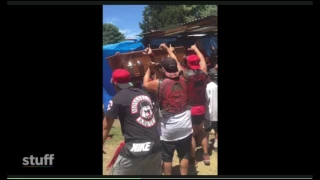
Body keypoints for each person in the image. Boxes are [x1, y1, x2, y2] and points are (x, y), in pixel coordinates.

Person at [143, 44, 192, 175]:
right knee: (184, 155)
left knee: (167, 156)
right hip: (186, 124)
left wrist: (149, 69)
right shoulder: (185, 77)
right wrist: (169, 51)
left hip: (168, 128)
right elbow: (176, 62)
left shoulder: (158, 84)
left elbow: (145, 83)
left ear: (163, 69)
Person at [103, 69, 162, 175]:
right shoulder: (144, 94)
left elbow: (106, 127)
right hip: (155, 146)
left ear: (114, 83)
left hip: (135, 150)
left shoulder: (117, 99)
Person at [183, 44, 210, 166]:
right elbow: (203, 61)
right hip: (202, 108)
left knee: (192, 133)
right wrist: (196, 49)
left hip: (191, 109)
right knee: (202, 131)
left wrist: (169, 50)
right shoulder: (204, 73)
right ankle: (205, 154)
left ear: (188, 64)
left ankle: (193, 159)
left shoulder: (185, 75)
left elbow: (175, 64)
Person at [204, 68, 218, 150]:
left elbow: (206, 98)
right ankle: (216, 143)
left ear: (209, 77)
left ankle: (207, 145)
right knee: (217, 129)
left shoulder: (208, 86)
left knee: (206, 130)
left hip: (209, 112)